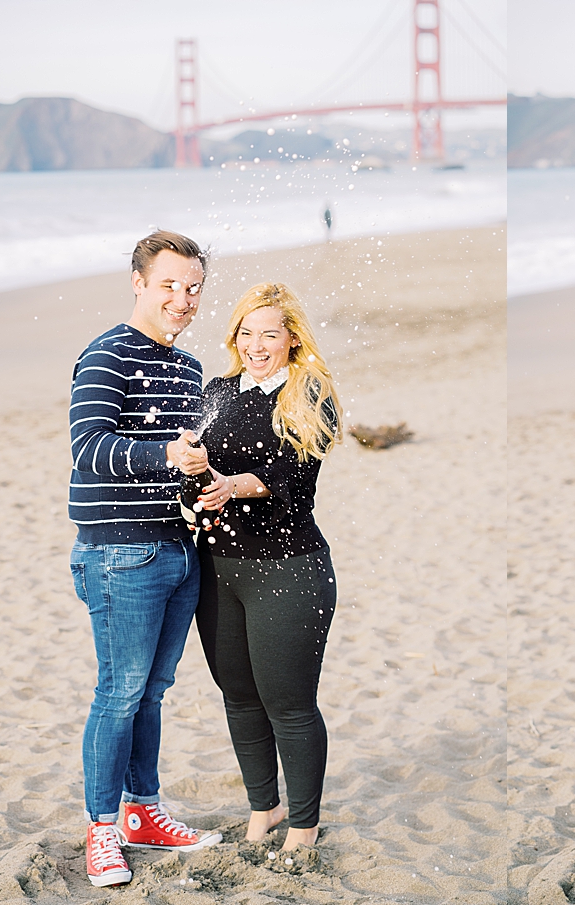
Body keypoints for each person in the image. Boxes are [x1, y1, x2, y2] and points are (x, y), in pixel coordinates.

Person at [68, 230, 222, 888]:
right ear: (138, 281)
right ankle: (102, 827)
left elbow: (180, 461)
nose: (181, 299)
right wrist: (165, 454)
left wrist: (203, 483)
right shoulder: (105, 355)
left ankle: (143, 812)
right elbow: (89, 448)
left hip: (177, 548)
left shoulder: (188, 369)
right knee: (119, 692)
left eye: (192, 288)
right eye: (168, 285)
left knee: (153, 693)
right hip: (119, 553)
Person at [179, 282, 342, 852]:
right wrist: (191, 469)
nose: (255, 344)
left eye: (268, 334)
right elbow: (197, 464)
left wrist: (231, 485)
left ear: (291, 339)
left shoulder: (309, 392)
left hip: (288, 569)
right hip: (218, 569)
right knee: (238, 694)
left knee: (288, 703)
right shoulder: (218, 390)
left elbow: (289, 479)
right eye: (246, 333)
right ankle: (264, 809)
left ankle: (304, 824)